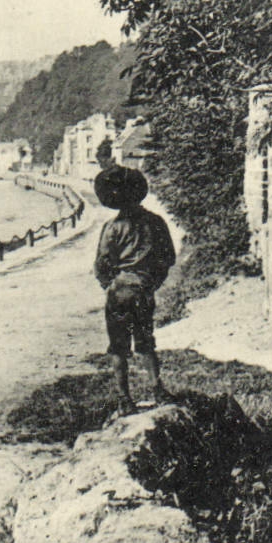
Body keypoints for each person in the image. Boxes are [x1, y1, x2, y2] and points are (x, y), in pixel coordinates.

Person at [93, 164, 177, 415]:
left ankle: (124, 399)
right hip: (144, 290)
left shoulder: (112, 227)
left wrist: (111, 285)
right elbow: (168, 257)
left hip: (119, 292)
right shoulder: (155, 222)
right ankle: (157, 389)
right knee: (145, 342)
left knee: (118, 347)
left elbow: (102, 264)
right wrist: (152, 282)